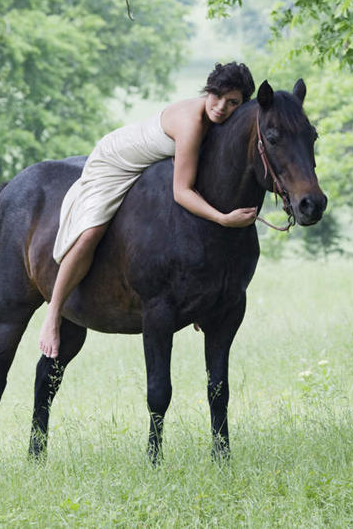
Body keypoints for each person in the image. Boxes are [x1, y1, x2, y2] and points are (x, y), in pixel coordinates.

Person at [39, 62, 257, 358]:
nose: (220, 107)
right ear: (207, 92)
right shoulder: (191, 123)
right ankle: (53, 315)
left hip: (147, 167)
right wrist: (223, 218)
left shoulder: (221, 125)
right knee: (91, 231)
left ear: (242, 104)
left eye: (232, 102)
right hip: (115, 160)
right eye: (216, 96)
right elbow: (182, 192)